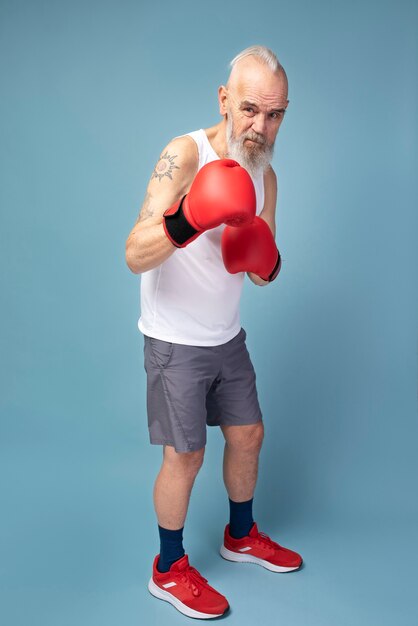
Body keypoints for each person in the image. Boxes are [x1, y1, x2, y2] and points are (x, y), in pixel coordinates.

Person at [125, 45, 303, 620]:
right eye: (250, 109)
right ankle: (169, 568)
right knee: (186, 457)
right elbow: (134, 253)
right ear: (224, 100)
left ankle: (241, 536)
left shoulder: (265, 176)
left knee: (249, 435)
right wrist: (188, 218)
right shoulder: (185, 153)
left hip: (227, 336)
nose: (260, 126)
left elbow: (261, 273)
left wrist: (265, 259)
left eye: (274, 114)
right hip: (175, 340)